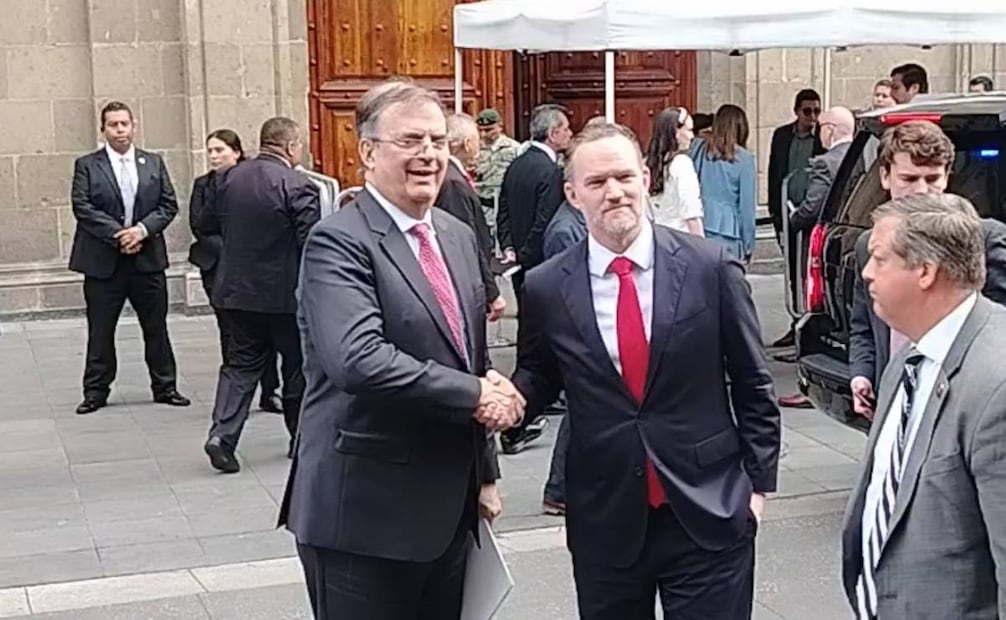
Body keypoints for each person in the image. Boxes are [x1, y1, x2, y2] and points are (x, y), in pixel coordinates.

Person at [512, 122, 781, 619]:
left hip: (708, 509)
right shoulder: (547, 287)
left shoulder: (710, 267)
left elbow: (753, 381)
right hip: (606, 519)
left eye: (624, 177)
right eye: (596, 183)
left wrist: (757, 488)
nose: (613, 192)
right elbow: (538, 372)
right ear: (573, 195)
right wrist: (498, 400)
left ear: (644, 178)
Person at [279, 83, 519, 620]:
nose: (429, 154)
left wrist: (484, 473)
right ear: (368, 151)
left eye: (437, 140)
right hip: (364, 519)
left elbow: (467, 357)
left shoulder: (455, 236)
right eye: (410, 140)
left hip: (449, 512)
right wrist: (477, 392)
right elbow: (358, 359)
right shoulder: (337, 242)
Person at [842, 192, 1006, 619]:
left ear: (925, 272)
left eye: (879, 259)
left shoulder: (996, 386)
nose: (866, 273)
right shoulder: (910, 357)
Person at [848, 120, 1006, 419]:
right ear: (885, 176)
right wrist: (862, 375)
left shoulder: (983, 239)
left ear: (947, 176)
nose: (922, 192)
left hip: (961, 409)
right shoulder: (869, 246)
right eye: (908, 178)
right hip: (894, 400)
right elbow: (864, 325)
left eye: (932, 178)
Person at [196, 117, 320, 472]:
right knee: (296, 368)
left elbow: (205, 224)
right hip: (285, 298)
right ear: (291, 146)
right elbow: (309, 243)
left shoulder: (228, 179)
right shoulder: (299, 185)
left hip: (236, 292)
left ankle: (222, 435)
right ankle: (301, 438)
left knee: (239, 366)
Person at [69, 101, 190, 414]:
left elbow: (168, 204)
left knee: (156, 326)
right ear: (103, 129)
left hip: (146, 259)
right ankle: (96, 391)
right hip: (103, 262)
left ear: (133, 126)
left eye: (124, 124)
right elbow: (83, 207)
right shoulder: (87, 165)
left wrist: (141, 231)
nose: (120, 130)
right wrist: (120, 234)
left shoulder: (152, 162)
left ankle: (165, 386)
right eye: (113, 125)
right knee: (101, 329)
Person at [187, 129, 283, 414]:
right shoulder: (203, 185)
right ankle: (235, 391)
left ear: (237, 152)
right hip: (216, 266)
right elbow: (199, 225)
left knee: (263, 328)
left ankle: (269, 390)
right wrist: (230, 250)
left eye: (220, 150)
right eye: (211, 151)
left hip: (251, 267)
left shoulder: (251, 181)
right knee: (230, 331)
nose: (214, 156)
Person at [495, 103, 572, 454]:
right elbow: (546, 220)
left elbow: (503, 212)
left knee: (529, 332)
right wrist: (526, 252)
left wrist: (509, 248)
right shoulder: (550, 171)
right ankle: (526, 407)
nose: (569, 135)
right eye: (566, 130)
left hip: (519, 264)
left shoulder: (517, 164)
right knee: (542, 337)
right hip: (541, 264)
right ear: (553, 133)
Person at [438, 113, 506, 322]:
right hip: (465, 283)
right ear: (467, 143)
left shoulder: (452, 176)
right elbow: (465, 241)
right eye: (477, 138)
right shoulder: (453, 183)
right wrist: (491, 291)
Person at [690, 104, 758, 262]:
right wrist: (748, 245)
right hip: (728, 231)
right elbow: (746, 208)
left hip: (699, 224)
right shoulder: (744, 158)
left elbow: (695, 123)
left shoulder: (698, 147)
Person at [767, 89, 826, 243]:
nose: (813, 116)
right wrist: (774, 211)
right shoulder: (782, 135)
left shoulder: (823, 136)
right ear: (797, 111)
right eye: (807, 111)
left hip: (813, 211)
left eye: (817, 111)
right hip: (787, 210)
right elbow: (774, 172)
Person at [790, 106, 855, 232]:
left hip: (830, 233)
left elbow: (812, 208)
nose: (818, 133)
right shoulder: (862, 154)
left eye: (820, 127)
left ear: (830, 129)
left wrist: (795, 217)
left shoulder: (825, 163)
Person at [646, 106, 704, 236]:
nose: (692, 136)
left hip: (656, 238)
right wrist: (701, 247)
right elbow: (691, 212)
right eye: (689, 130)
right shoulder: (682, 164)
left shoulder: (647, 164)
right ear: (675, 132)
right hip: (680, 239)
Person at [474, 108, 520, 241]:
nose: (483, 134)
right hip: (482, 205)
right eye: (480, 130)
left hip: (504, 207)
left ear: (500, 126)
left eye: (488, 130)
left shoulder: (513, 148)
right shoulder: (475, 149)